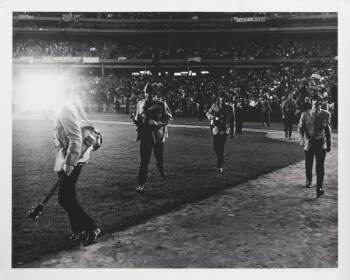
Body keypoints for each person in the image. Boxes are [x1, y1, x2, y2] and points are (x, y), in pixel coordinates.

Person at [53, 85, 102, 245]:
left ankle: (91, 227)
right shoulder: (66, 105)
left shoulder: (65, 107)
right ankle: (79, 230)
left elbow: (75, 138)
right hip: (69, 155)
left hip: (72, 157)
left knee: (64, 198)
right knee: (69, 196)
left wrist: (69, 163)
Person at [133, 83, 173, 194]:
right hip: (145, 135)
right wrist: (136, 121)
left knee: (159, 157)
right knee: (144, 161)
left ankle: (161, 169)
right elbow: (138, 117)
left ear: (155, 94)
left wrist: (157, 123)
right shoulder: (140, 103)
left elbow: (169, 118)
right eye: (146, 92)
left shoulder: (161, 104)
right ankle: (141, 183)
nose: (148, 95)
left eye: (150, 93)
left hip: (157, 136)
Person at [298, 93, 332, 198]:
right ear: (311, 102)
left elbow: (328, 130)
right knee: (309, 164)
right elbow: (300, 128)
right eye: (314, 100)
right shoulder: (304, 114)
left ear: (321, 102)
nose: (316, 102)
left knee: (320, 167)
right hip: (309, 143)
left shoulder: (326, 114)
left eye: (318, 101)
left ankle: (319, 187)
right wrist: (301, 139)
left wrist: (329, 144)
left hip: (321, 143)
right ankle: (309, 181)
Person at [206, 93, 235, 174]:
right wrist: (213, 117)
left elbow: (232, 120)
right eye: (220, 98)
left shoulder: (229, 107)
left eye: (223, 98)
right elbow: (208, 113)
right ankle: (222, 155)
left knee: (221, 146)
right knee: (215, 147)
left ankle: (219, 166)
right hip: (216, 127)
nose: (222, 99)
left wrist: (233, 132)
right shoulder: (214, 105)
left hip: (225, 129)